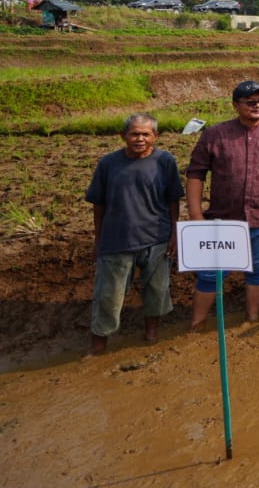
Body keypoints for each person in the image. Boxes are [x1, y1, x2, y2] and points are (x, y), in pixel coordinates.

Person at [186, 80, 259, 329]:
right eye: (250, 102)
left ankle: (252, 317)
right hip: (223, 220)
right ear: (236, 105)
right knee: (211, 274)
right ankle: (197, 322)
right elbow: (196, 173)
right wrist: (195, 213)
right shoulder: (215, 134)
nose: (257, 106)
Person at [86, 114, 184, 355]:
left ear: (155, 136)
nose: (140, 139)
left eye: (146, 134)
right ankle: (99, 345)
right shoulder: (108, 164)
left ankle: (151, 335)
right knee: (108, 296)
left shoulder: (165, 161)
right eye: (134, 134)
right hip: (116, 240)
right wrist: (99, 239)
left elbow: (173, 200)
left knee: (157, 291)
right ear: (123, 136)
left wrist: (174, 233)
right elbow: (98, 205)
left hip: (157, 239)